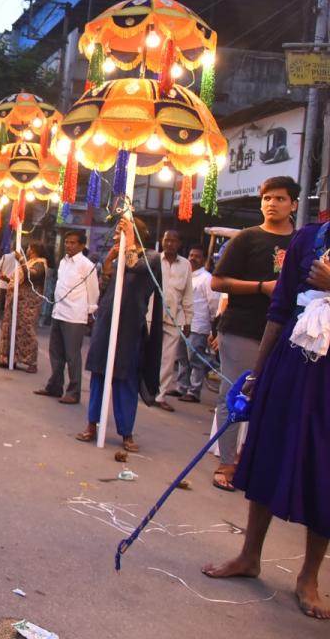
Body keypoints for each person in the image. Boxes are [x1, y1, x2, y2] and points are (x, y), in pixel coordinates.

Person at [202, 219, 330, 620]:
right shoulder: (308, 238)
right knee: (267, 451)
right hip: (291, 364)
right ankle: (249, 556)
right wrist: (258, 373)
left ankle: (308, 577)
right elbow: (279, 309)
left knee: (324, 470)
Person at [207, 176, 299, 491]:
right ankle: (226, 463)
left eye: (280, 198)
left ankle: (253, 463)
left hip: (287, 334)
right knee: (234, 393)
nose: (272, 204)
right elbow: (217, 282)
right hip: (242, 328)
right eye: (267, 198)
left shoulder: (302, 243)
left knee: (273, 400)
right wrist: (262, 288)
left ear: (294, 205)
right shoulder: (246, 238)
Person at [76, 217, 163, 453]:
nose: (116, 235)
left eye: (121, 231)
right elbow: (109, 287)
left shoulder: (152, 258)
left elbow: (136, 266)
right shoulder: (120, 256)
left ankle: (126, 432)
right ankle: (92, 424)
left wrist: (128, 243)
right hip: (107, 321)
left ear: (136, 234)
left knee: (126, 378)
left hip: (130, 327)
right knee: (99, 374)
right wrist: (108, 263)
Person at [37, 229, 98, 403]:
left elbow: (93, 291)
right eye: (67, 242)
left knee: (72, 355)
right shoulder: (63, 262)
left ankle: (73, 392)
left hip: (75, 315)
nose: (68, 245)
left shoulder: (87, 265)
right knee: (55, 352)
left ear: (81, 245)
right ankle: (55, 386)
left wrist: (90, 312)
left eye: (72, 243)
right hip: (59, 312)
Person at [153, 229, 194, 412]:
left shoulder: (185, 265)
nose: (169, 244)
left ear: (179, 244)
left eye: (173, 241)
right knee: (148, 354)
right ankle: (145, 390)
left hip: (174, 318)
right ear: (162, 241)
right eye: (166, 240)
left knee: (168, 360)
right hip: (151, 316)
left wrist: (188, 320)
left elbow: (187, 294)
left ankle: (160, 396)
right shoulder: (153, 259)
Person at [0, 240, 48, 373]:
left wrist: (21, 260)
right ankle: (10, 357)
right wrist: (7, 280)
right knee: (12, 329)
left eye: (29, 247)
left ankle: (32, 362)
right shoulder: (29, 262)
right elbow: (21, 282)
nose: (27, 250)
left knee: (26, 330)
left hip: (28, 304)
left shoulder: (40, 264)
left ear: (34, 250)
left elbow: (31, 276)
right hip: (17, 301)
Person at [177, 246, 219, 403]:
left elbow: (213, 302)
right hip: (182, 323)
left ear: (204, 259)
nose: (193, 258)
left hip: (198, 324)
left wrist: (213, 325)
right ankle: (182, 387)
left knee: (195, 358)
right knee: (182, 357)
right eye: (191, 255)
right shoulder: (186, 276)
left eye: (197, 256)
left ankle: (194, 391)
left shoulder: (207, 278)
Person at [0, 249, 18, 324]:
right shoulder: (20, 260)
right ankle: (5, 321)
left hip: (2, 284)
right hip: (13, 285)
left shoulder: (5, 257)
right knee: (9, 304)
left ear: (12, 248)